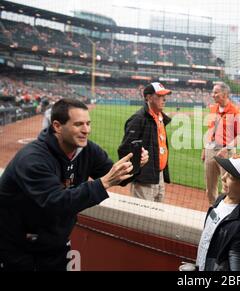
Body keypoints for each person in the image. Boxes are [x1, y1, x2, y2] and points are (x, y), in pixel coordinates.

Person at [0, 98, 149, 271]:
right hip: (16, 246)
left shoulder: (88, 150)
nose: (86, 130)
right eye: (78, 124)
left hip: (54, 243)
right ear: (57, 126)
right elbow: (56, 202)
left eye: (88, 123)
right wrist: (104, 182)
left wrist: (135, 164)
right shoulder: (33, 159)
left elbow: (118, 177)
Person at [196, 151, 240, 271]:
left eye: (230, 176)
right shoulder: (220, 200)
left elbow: (236, 268)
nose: (223, 177)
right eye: (226, 172)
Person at [118, 82, 172, 202]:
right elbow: (125, 149)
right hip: (144, 177)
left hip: (159, 174)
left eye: (165, 96)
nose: (164, 99)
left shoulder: (160, 117)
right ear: (148, 97)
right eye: (159, 96)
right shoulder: (138, 119)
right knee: (143, 217)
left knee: (158, 214)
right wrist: (137, 172)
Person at [201, 82, 240, 205]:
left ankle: (224, 211)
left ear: (224, 94)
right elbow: (210, 130)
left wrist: (226, 148)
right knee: (210, 186)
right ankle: (213, 208)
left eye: (215, 92)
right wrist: (204, 148)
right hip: (210, 150)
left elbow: (239, 136)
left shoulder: (234, 111)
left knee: (227, 186)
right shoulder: (213, 108)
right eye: (213, 92)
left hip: (226, 152)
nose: (212, 95)